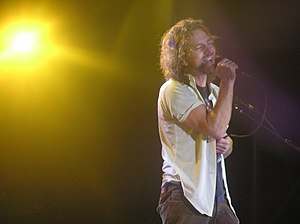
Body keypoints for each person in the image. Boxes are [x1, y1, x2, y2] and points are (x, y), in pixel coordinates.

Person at [156, 18, 240, 223]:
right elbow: (214, 127)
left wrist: (227, 145)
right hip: (184, 194)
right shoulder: (174, 89)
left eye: (209, 43)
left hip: (216, 194)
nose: (209, 51)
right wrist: (228, 82)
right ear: (182, 57)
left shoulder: (214, 93)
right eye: (199, 47)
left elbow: (221, 137)